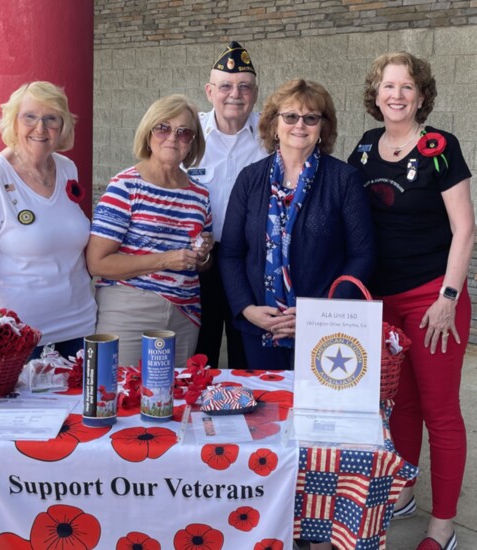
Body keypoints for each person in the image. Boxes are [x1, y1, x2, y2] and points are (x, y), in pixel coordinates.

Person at [348, 52, 474, 550]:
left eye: (405, 86)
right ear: (375, 95)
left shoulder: (441, 147)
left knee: (441, 410)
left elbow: (465, 228)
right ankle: (401, 492)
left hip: (432, 297)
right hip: (381, 299)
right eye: (387, 86)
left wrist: (449, 296)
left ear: (421, 95)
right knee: (398, 404)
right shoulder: (362, 148)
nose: (395, 95)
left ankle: (443, 526)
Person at [219, 78, 375, 377]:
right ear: (274, 124)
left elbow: (362, 255)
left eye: (311, 118)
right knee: (267, 415)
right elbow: (230, 254)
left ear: (322, 127)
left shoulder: (344, 180)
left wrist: (319, 313)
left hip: (325, 332)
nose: (299, 125)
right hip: (260, 326)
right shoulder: (250, 179)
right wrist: (247, 309)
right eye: (290, 116)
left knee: (318, 418)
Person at [0, 81, 97, 358]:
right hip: (19, 337)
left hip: (79, 327)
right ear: (13, 122)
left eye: (51, 118)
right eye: (30, 117)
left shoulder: (67, 168)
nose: (40, 128)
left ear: (63, 127)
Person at [87, 94, 213, 369]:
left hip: (184, 312)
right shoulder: (125, 187)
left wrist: (203, 255)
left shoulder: (200, 194)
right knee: (117, 396)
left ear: (192, 142)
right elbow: (97, 262)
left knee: (174, 399)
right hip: (128, 309)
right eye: (163, 128)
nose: (172, 137)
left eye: (183, 132)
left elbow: (202, 264)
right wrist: (166, 260)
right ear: (148, 133)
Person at [188, 41, 268, 369]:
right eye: (225, 86)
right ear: (209, 91)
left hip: (251, 260)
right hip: (200, 260)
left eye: (244, 86)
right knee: (199, 351)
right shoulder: (189, 133)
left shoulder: (271, 134)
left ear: (255, 92)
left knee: (246, 351)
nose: (235, 94)